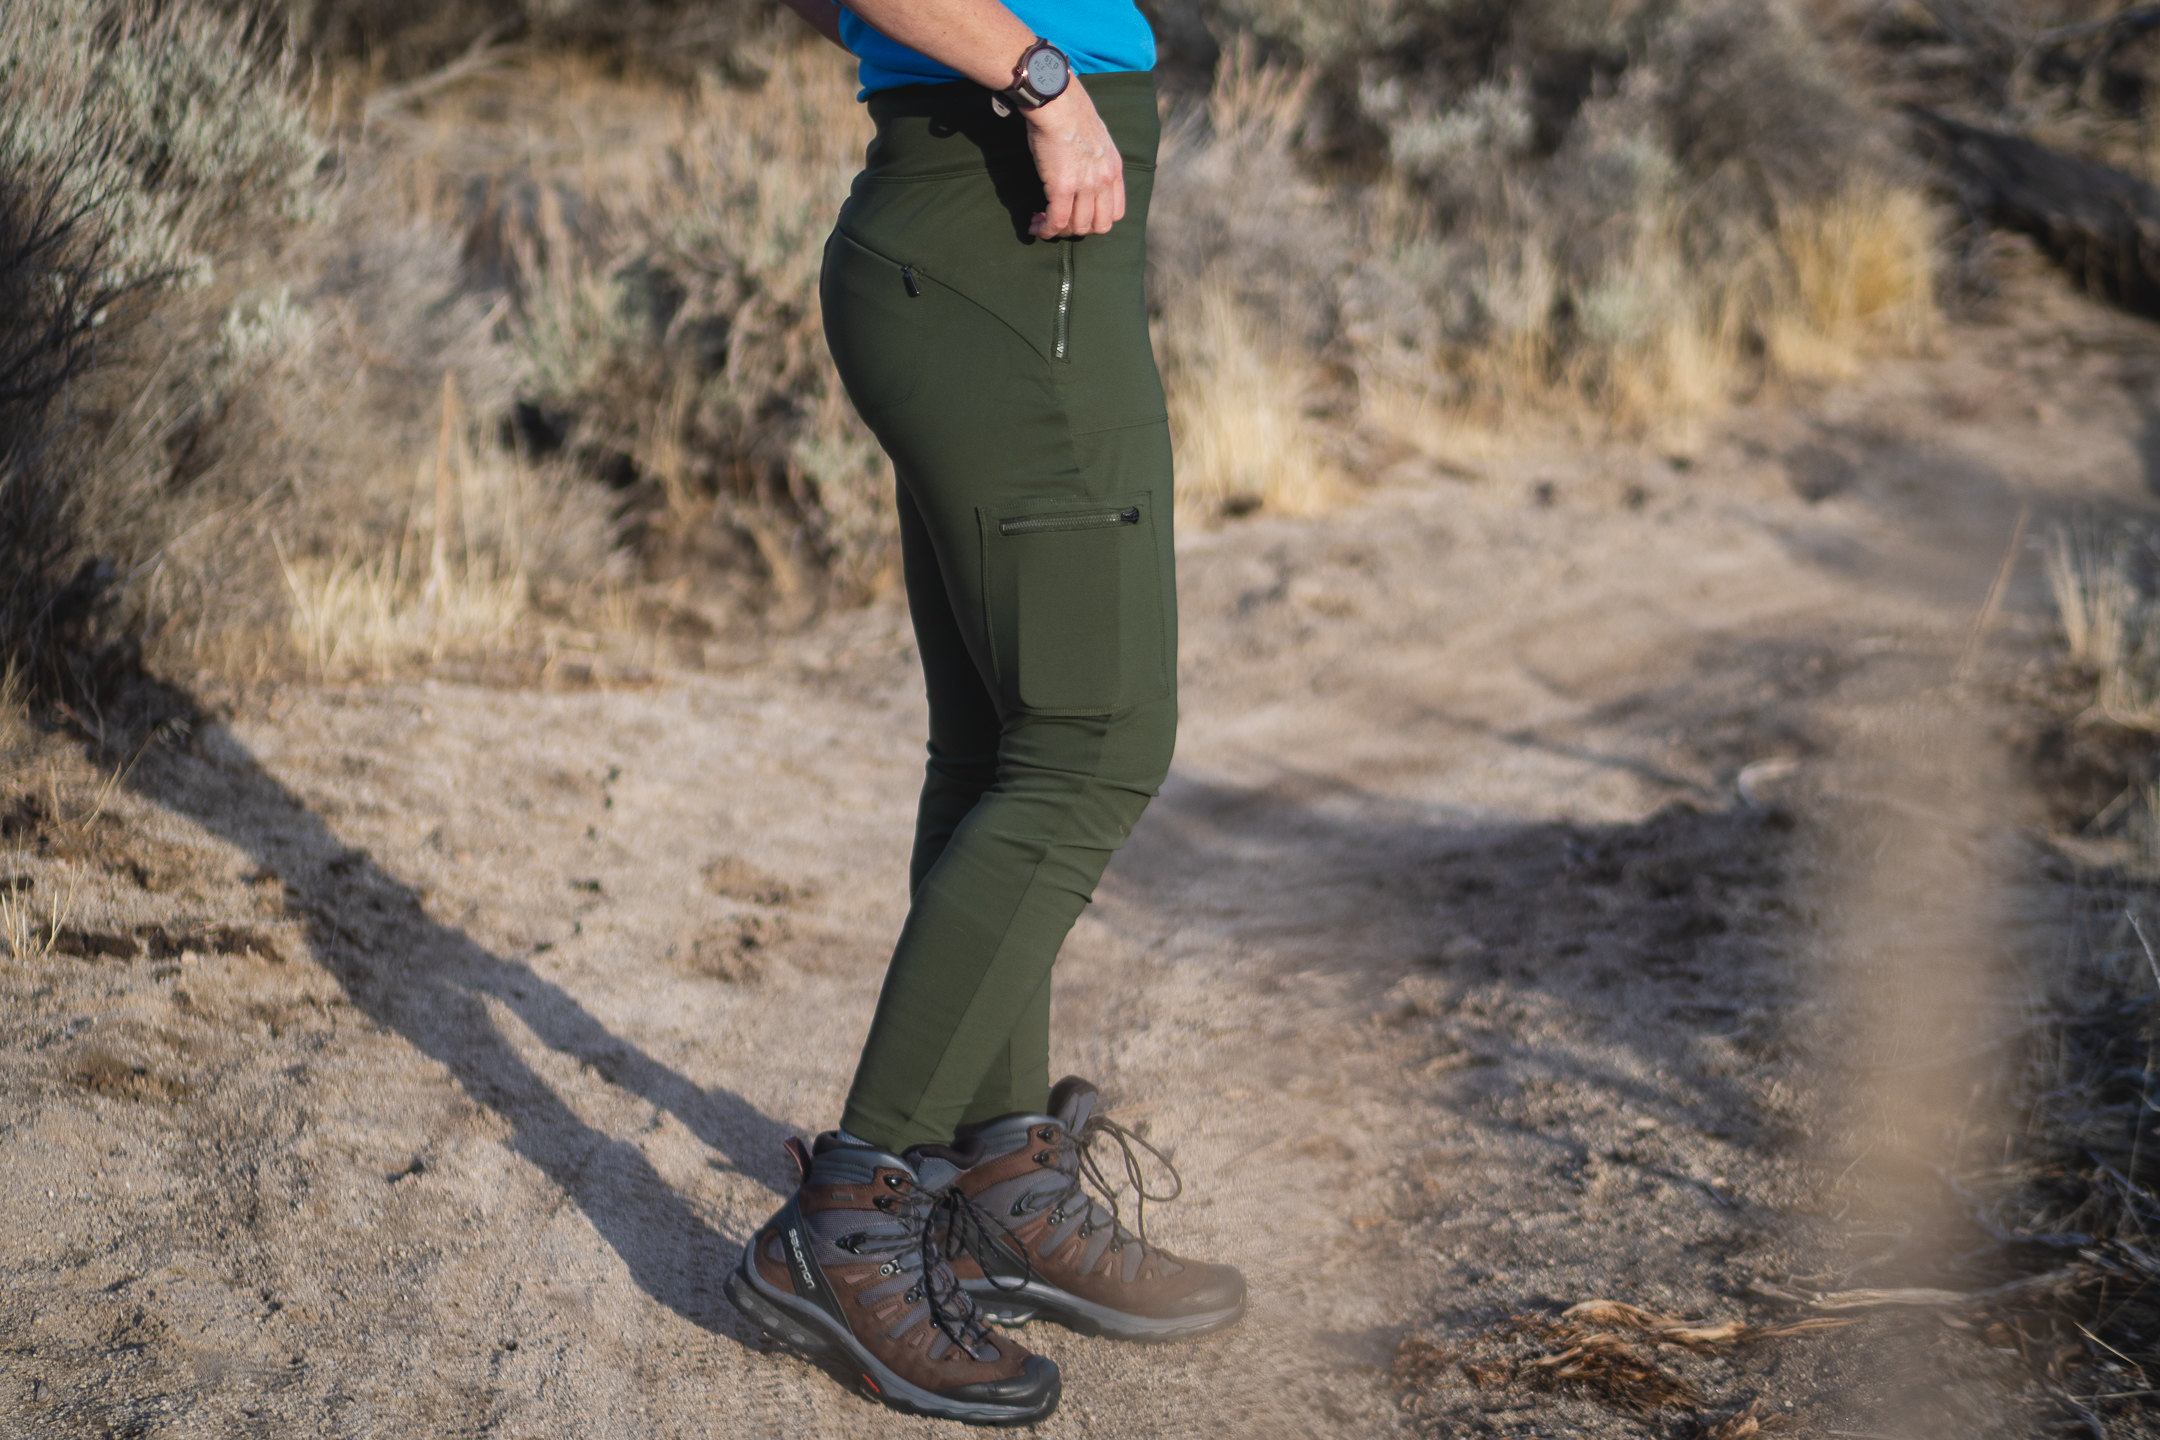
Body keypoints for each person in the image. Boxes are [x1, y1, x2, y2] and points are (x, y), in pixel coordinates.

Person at [721, 0, 1246, 1423]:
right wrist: (1041, 77)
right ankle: (849, 1216)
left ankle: (996, 1177)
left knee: (1010, 739)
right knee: (1094, 743)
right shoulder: (1030, 101)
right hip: (998, 210)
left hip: (999, 235)